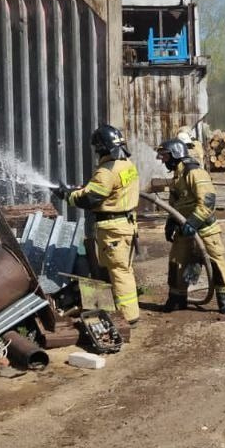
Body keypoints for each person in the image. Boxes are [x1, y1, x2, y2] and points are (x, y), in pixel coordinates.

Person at [53, 125, 141, 324]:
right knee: (121, 269)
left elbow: (90, 199)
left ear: (102, 148)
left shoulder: (106, 171)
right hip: (125, 224)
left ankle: (128, 317)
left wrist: (68, 196)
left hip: (113, 229)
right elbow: (108, 191)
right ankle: (117, 308)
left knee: (119, 271)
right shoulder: (126, 164)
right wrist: (82, 189)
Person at [156, 138, 225, 314]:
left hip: (205, 231)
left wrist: (193, 221)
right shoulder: (177, 175)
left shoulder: (194, 173)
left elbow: (208, 201)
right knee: (177, 263)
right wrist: (170, 223)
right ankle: (177, 299)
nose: (162, 160)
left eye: (164, 156)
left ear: (175, 154)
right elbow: (175, 204)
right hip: (184, 231)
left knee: (216, 264)